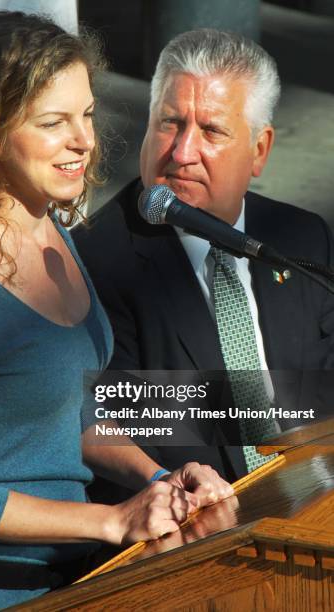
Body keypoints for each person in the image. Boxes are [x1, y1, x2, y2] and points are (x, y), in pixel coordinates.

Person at [0, 13, 233, 611]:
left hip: (73, 585)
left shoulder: (52, 229)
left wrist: (158, 481)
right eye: (53, 123)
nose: (84, 140)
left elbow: (71, 413)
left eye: (87, 114)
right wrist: (112, 521)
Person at [73, 29, 334, 498]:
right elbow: (138, 433)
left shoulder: (302, 240)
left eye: (211, 130)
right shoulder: (96, 261)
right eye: (169, 123)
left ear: (259, 150)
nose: (182, 152)